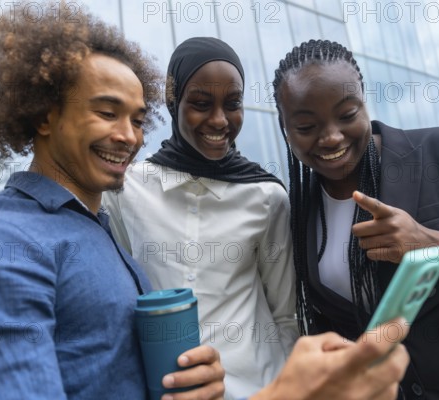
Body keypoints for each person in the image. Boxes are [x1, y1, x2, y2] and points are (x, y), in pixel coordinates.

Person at [0, 4, 410, 400]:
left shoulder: (96, 229)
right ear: (45, 115)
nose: (128, 136)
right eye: (107, 112)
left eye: (139, 119)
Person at [272, 38, 439, 399]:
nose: (331, 136)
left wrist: (438, 246)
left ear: (364, 102)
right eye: (306, 127)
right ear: (285, 129)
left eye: (347, 115)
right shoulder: (299, 212)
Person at [103, 37, 298, 398]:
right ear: (173, 102)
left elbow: (284, 315)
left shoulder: (267, 197)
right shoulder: (127, 188)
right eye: (201, 104)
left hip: (257, 388)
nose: (219, 120)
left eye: (233, 104)